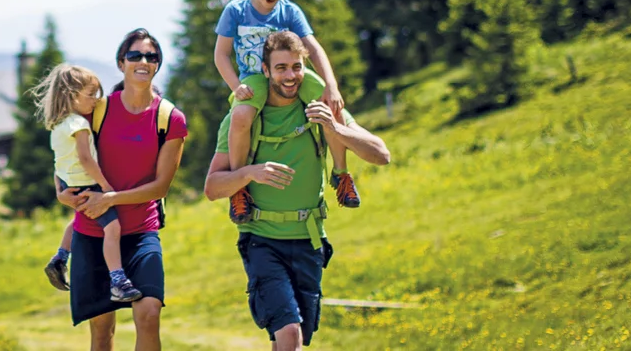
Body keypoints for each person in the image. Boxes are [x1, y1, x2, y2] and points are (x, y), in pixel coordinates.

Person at [204, 30, 390, 350]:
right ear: (265, 71)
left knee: (296, 339)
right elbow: (212, 188)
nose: (290, 76)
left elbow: (381, 155)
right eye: (281, 68)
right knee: (289, 332)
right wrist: (250, 173)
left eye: (296, 67)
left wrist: (335, 127)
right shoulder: (245, 117)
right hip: (261, 240)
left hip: (309, 239)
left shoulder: (317, 106)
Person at [54, 28, 187, 351]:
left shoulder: (170, 118)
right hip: (93, 233)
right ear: (121, 62)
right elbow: (66, 152)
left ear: (157, 65)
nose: (143, 61)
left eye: (151, 56)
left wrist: (111, 198)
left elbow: (161, 186)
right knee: (102, 333)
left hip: (142, 232)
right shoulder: (97, 110)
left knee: (149, 312)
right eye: (135, 55)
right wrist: (60, 190)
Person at [216, 0, 357, 227]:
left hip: (292, 72)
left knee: (330, 106)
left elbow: (314, 49)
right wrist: (235, 86)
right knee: (241, 117)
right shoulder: (236, 11)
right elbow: (221, 54)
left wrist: (331, 85)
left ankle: (341, 174)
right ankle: (239, 186)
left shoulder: (289, 11)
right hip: (256, 77)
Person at [35, 63, 141, 302]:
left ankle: (60, 257)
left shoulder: (58, 125)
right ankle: (118, 280)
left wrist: (60, 187)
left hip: (68, 182)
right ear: (72, 95)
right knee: (112, 228)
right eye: (91, 94)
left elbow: (60, 161)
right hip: (86, 184)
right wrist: (105, 186)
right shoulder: (80, 124)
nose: (95, 100)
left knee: (79, 218)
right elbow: (85, 159)